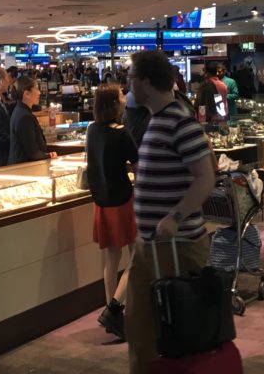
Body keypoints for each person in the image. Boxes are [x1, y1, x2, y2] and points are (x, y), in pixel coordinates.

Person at [124, 50, 215, 374]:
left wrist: (175, 217)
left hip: (178, 247)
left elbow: (205, 177)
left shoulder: (179, 121)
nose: (128, 85)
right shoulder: (157, 120)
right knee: (141, 328)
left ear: (147, 82)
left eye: (131, 78)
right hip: (150, 246)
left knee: (181, 331)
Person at [86, 84, 139, 341]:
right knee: (138, 257)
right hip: (122, 201)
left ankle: (111, 309)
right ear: (113, 103)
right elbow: (138, 166)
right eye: (120, 95)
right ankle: (115, 310)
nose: (124, 97)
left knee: (112, 258)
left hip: (102, 201)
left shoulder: (92, 130)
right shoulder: (122, 133)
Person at [8, 76, 56, 164]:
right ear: (26, 94)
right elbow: (33, 152)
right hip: (23, 167)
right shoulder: (25, 116)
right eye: (36, 89)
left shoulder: (20, 110)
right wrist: (50, 155)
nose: (39, 93)